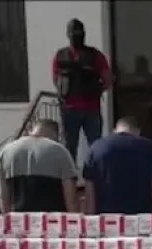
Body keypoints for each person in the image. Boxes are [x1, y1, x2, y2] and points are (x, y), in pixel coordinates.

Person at [52, 19, 113, 162]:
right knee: (70, 148)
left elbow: (108, 80)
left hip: (90, 108)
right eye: (73, 32)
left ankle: (95, 173)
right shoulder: (60, 55)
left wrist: (96, 90)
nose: (76, 35)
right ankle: (71, 175)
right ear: (68, 34)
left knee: (95, 147)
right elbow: (56, 79)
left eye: (79, 32)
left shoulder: (95, 55)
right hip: (70, 110)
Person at [82, 117, 152, 214]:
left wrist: (91, 218)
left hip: (107, 219)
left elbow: (89, 195)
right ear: (138, 132)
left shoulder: (95, 149)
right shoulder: (151, 148)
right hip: (142, 219)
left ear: (114, 131)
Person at [0, 120, 79, 213]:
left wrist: (6, 217)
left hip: (19, 218)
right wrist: (74, 217)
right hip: (51, 218)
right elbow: (71, 198)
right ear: (56, 135)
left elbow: (2, 195)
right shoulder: (61, 152)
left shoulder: (6, 152)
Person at [121, 55, 152, 138]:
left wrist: (147, 105)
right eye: (139, 64)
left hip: (148, 116)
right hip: (132, 114)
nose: (140, 66)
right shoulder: (128, 80)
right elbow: (124, 96)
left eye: (142, 64)